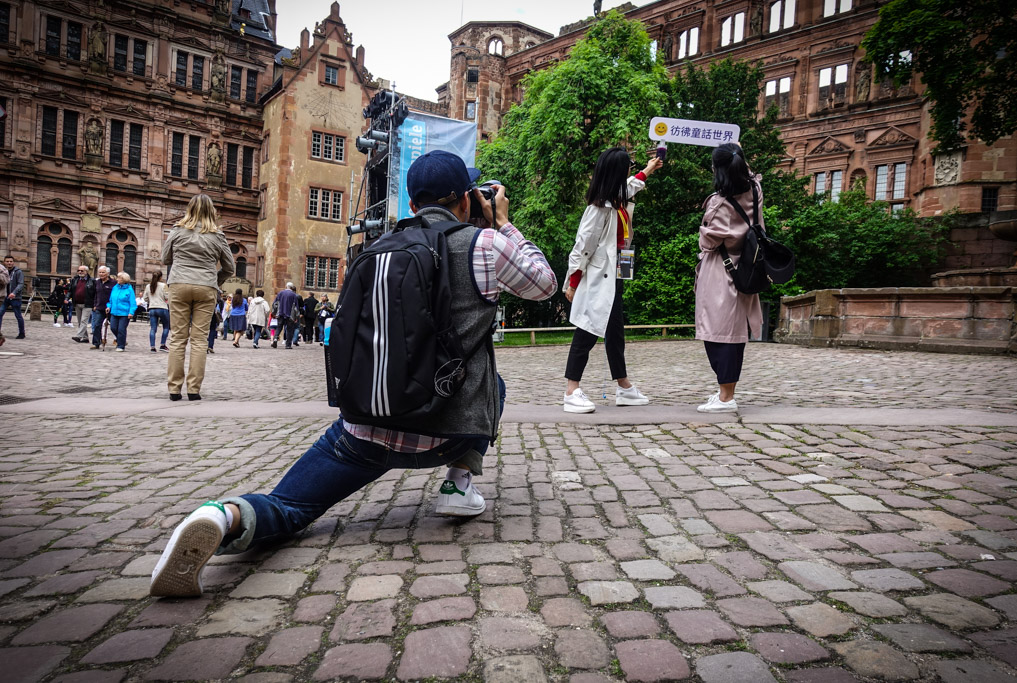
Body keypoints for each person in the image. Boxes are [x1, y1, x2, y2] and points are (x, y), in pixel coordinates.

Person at [150, 149, 556, 598]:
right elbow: (544, 284)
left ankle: (220, 516)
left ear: (413, 204)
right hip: (451, 431)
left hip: (366, 429)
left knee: (288, 507)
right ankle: (458, 485)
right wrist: (502, 222)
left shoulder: (377, 249)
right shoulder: (484, 244)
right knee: (493, 382)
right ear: (465, 199)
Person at [562, 147, 662, 413]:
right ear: (618, 171)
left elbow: (633, 185)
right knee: (587, 327)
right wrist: (573, 283)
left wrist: (649, 169)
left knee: (615, 331)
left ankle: (624, 386)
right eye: (628, 165)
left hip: (615, 271)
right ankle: (571, 389)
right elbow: (582, 248)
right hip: (597, 276)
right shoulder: (598, 209)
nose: (631, 168)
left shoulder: (617, 198)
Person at [694, 142, 763, 413]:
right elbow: (749, 173)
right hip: (746, 265)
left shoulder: (719, 203)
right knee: (733, 332)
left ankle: (726, 397)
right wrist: (737, 152)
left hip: (721, 270)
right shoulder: (755, 190)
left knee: (717, 333)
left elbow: (708, 242)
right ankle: (726, 392)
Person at [162, 193, 234, 402]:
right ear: (212, 211)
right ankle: (193, 389)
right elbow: (230, 267)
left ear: (189, 209)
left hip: (179, 284)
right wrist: (214, 280)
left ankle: (174, 389)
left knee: (177, 338)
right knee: (200, 339)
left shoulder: (177, 230)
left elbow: (165, 258)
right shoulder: (217, 236)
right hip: (206, 286)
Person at [106, 272, 136, 352]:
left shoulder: (129, 290)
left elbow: (132, 302)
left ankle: (121, 345)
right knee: (113, 328)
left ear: (124, 280)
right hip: (114, 312)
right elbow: (111, 299)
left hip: (124, 313)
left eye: (119, 278)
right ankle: (121, 340)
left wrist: (131, 312)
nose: (117, 279)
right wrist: (109, 306)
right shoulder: (115, 288)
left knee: (121, 329)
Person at [89, 266, 116, 349]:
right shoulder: (97, 282)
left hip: (111, 308)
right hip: (99, 307)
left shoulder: (113, 283)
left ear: (107, 273)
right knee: (97, 325)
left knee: (114, 326)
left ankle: (120, 340)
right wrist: (94, 305)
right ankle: (96, 343)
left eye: (103, 272)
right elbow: (95, 294)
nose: (101, 274)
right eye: (100, 272)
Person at [0, 256, 26, 339]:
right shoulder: (3, 271)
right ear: (4, 262)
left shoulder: (18, 272)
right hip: (4, 297)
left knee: (18, 315)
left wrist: (14, 293)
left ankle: (22, 333)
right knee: (0, 313)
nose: (9, 263)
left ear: (13, 262)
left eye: (11, 261)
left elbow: (20, 284)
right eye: (7, 261)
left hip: (15, 298)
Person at [144, 271, 170, 353]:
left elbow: (145, 298)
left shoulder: (148, 286)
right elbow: (167, 297)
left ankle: (152, 347)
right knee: (166, 327)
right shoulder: (163, 285)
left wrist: (151, 300)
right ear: (161, 277)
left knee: (153, 328)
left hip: (152, 308)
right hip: (162, 307)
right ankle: (162, 344)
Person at [70, 265, 96, 343]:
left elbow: (95, 293)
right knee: (80, 321)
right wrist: (67, 298)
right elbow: (71, 290)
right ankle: (85, 338)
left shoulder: (92, 281)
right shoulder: (75, 280)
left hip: (87, 304)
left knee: (84, 321)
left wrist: (94, 303)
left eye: (82, 271)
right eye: (79, 270)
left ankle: (79, 336)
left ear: (86, 272)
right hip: (77, 303)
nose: (80, 272)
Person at [271, 282, 300, 349]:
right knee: (290, 329)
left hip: (280, 313)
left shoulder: (280, 293)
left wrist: (274, 313)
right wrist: (296, 316)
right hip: (290, 315)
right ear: (292, 287)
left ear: (286, 286)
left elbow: (275, 304)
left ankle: (275, 338)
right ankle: (288, 345)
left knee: (279, 327)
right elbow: (296, 307)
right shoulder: (293, 295)